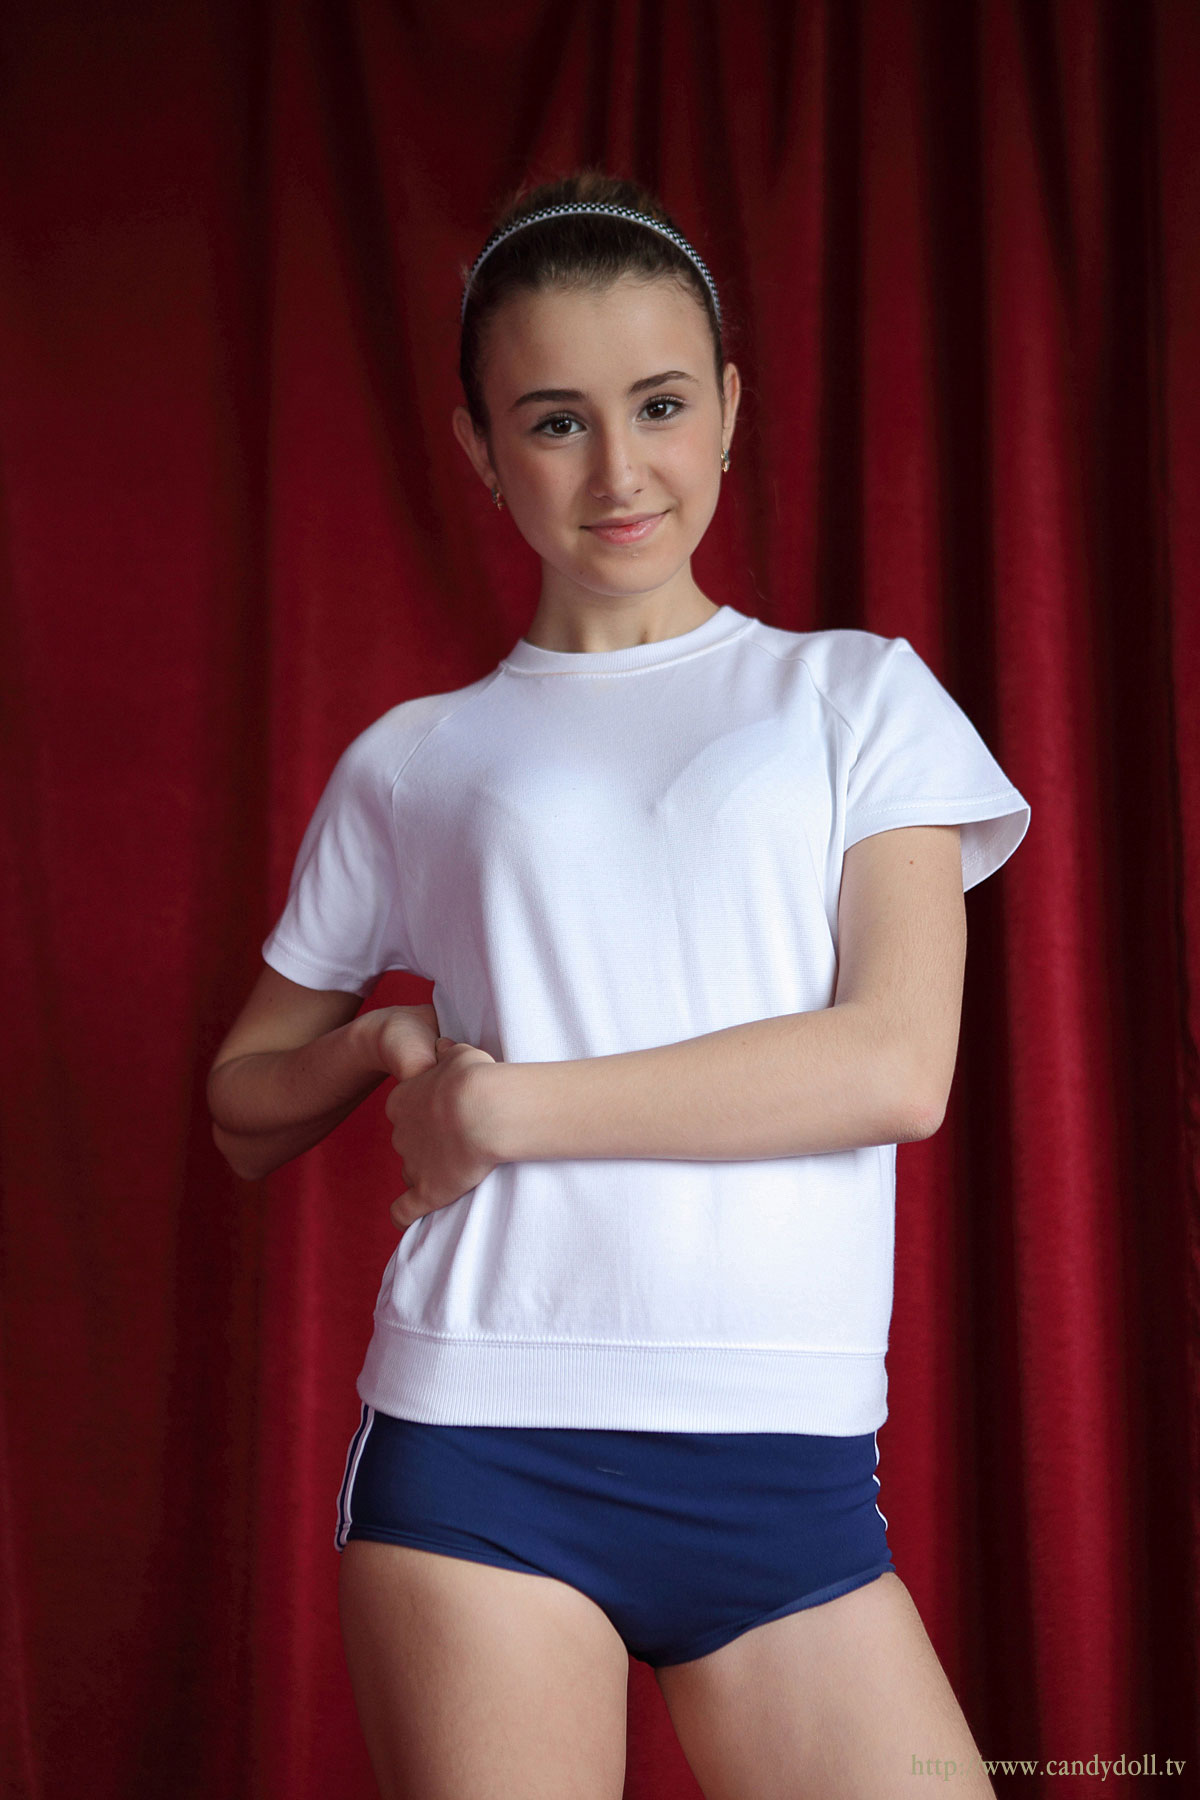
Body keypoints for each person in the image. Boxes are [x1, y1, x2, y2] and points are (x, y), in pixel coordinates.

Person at [208, 170, 1030, 1800]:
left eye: (659, 404)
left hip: (789, 1472)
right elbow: (242, 1108)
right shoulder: (416, 757)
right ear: (480, 449)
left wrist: (504, 1110)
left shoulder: (857, 699)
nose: (619, 469)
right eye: (554, 422)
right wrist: (380, 1043)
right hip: (482, 1446)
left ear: (728, 406)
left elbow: (893, 1067)